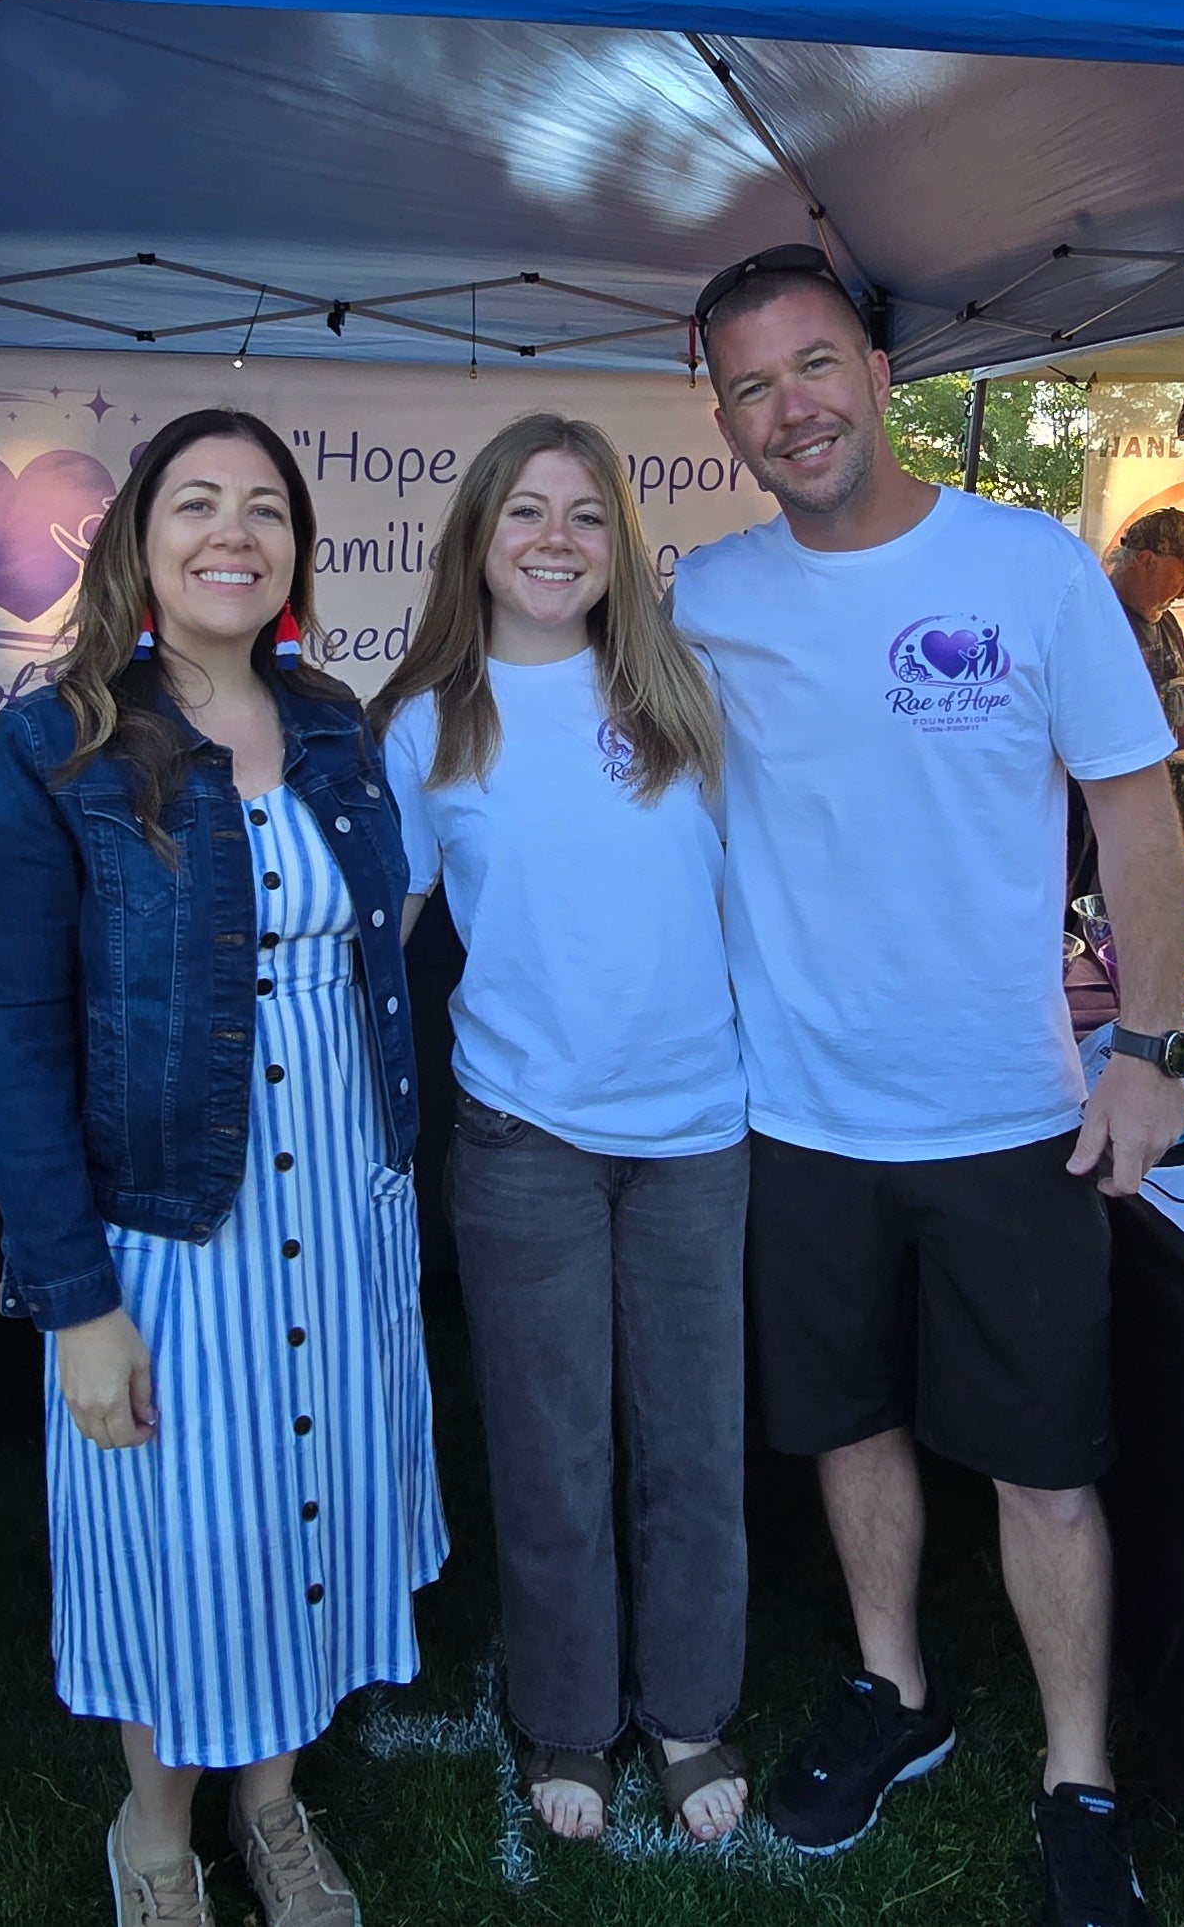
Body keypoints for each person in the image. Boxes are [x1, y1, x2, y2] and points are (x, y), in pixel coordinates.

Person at [669, 246, 1184, 1927]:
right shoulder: (706, 598)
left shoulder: (1031, 568)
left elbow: (1134, 816)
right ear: (724, 419)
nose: (790, 409)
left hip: (1009, 1116)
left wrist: (1150, 1048)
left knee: (1046, 1466)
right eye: (751, 386)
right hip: (793, 1115)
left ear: (881, 374)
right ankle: (894, 1688)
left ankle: (1079, 1777)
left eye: (814, 365)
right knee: (848, 1425)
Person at [0, 408, 447, 1927]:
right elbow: (11, 1029)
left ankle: (275, 1805)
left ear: (297, 549)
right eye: (197, 503)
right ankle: (158, 1835)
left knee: (309, 1507)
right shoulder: (56, 745)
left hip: (341, 1200)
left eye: (265, 509)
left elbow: (378, 956)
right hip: (171, 1224)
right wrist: (74, 1298)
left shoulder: (332, 723)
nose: (234, 532)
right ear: (139, 540)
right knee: (184, 1536)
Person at [370, 414, 751, 1850]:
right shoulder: (427, 723)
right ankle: (568, 1713)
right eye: (525, 511)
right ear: (476, 534)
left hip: (697, 1132)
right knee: (549, 1448)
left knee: (695, 1444)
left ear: (623, 548)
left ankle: (692, 1706)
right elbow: (382, 932)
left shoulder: (685, 694)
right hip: (522, 1133)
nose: (554, 540)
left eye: (587, 516)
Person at [1104, 503, 1184, 754]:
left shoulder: (1167, 624)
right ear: (1146, 561)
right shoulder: (1094, 623)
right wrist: (1183, 693)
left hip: (1160, 773)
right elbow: (1102, 720)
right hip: (1113, 777)